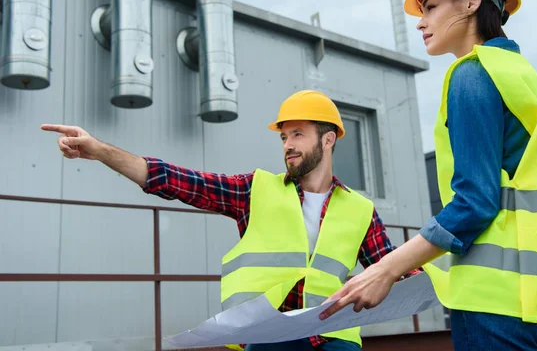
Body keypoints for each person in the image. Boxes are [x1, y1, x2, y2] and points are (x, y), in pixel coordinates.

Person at [318, 0, 537, 350]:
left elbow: (474, 204)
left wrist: (386, 270)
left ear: (471, 1)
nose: (420, 21)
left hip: (493, 304)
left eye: (431, 6)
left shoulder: (472, 73)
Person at [41, 89, 421, 351]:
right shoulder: (254, 190)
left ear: (328, 140)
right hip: (271, 335)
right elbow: (174, 180)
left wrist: (454, 275)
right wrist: (100, 151)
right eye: (284, 136)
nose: (288, 144)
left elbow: (396, 272)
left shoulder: (360, 210)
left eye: (298, 134)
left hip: (335, 338)